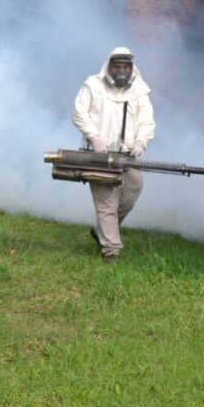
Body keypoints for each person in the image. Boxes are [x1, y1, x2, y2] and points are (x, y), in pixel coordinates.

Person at [72, 46, 155, 261]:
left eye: (126, 67)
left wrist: (141, 142)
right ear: (109, 67)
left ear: (131, 69)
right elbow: (79, 113)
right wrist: (94, 137)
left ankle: (101, 230)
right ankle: (111, 251)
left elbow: (147, 122)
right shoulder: (92, 85)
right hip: (99, 154)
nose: (121, 71)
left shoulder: (140, 91)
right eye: (117, 66)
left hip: (128, 155)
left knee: (132, 191)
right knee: (107, 202)